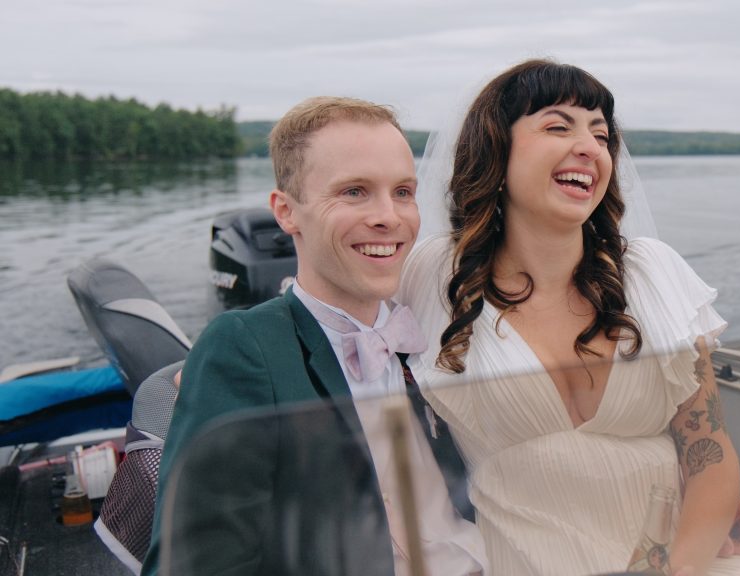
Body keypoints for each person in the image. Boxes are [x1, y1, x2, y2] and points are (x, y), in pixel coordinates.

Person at [398, 60, 740, 576]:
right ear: (496, 148)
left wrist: (679, 568)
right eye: (558, 126)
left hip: (683, 559)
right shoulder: (435, 274)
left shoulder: (652, 271)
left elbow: (709, 453)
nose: (590, 147)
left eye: (601, 135)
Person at [140, 96, 485, 576]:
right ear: (286, 211)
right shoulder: (245, 346)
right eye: (354, 192)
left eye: (403, 191)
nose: (390, 216)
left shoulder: (427, 327)